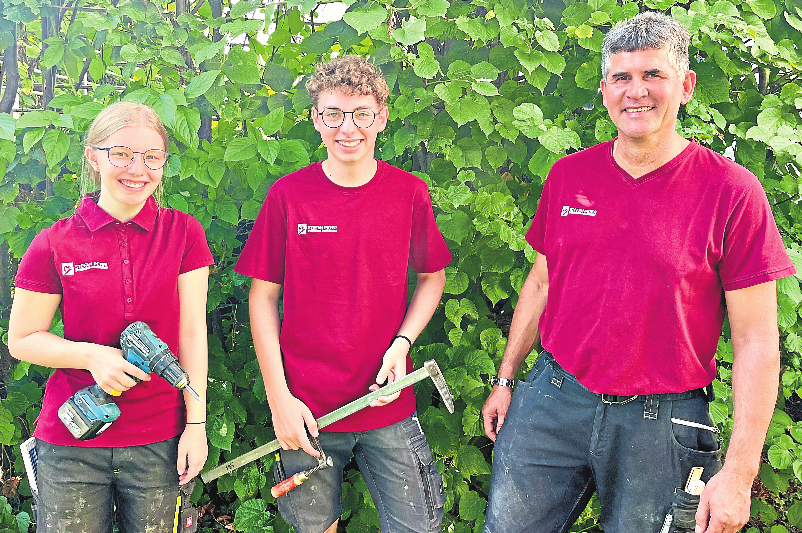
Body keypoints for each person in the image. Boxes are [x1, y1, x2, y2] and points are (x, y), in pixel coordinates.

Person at [481, 11, 795, 533]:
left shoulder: (732, 193)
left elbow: (757, 340)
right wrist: (506, 378)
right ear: (604, 90)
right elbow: (541, 281)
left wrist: (740, 472)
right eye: (622, 77)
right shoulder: (569, 176)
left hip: (662, 423)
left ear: (686, 85)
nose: (636, 92)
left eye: (653, 75)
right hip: (553, 401)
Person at [235, 55, 451, 533]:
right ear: (316, 119)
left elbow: (432, 276)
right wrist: (279, 400)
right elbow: (262, 297)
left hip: (386, 400)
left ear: (382, 118)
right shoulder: (289, 196)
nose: (347, 128)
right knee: (315, 527)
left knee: (419, 527)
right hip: (306, 407)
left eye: (361, 114)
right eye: (333, 114)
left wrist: (403, 343)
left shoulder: (409, 193)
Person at [8, 102, 213, 533]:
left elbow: (192, 334)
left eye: (151, 157)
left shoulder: (184, 234)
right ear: (93, 156)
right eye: (121, 152)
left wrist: (196, 425)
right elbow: (23, 339)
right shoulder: (53, 244)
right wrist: (93, 357)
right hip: (73, 440)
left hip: (160, 439)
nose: (137, 168)